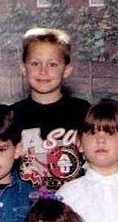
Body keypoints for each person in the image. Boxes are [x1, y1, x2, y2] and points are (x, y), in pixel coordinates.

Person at [11, 27, 90, 191]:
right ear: (23, 68)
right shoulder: (10, 116)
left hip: (74, 201)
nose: (43, 71)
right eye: (35, 63)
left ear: (66, 70)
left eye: (52, 64)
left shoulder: (84, 112)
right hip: (27, 203)